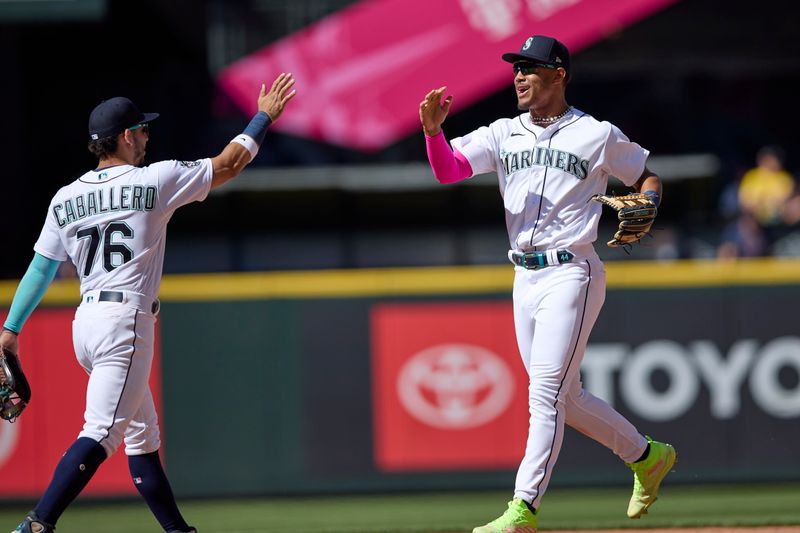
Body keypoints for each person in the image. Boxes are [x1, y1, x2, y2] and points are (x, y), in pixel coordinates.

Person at [0, 73, 296, 533]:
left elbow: (40, 270)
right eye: (141, 129)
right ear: (124, 136)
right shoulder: (154, 180)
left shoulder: (64, 199)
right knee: (102, 432)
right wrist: (263, 116)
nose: (146, 136)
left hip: (86, 325)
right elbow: (231, 163)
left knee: (142, 434)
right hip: (125, 322)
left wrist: (11, 330)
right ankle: (37, 525)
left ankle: (178, 531)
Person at [419, 35, 675, 533]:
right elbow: (449, 170)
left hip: (570, 273)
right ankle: (647, 457)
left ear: (559, 74)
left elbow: (647, 176)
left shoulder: (596, 134)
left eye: (531, 68)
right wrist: (432, 132)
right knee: (567, 397)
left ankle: (523, 510)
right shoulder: (501, 133)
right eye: (517, 67)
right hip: (524, 276)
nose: (519, 75)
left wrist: (651, 201)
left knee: (544, 396)